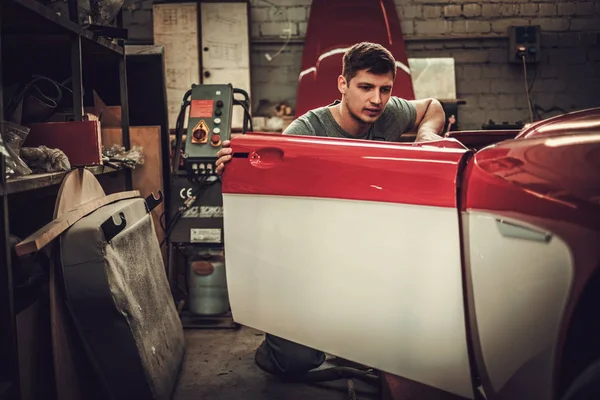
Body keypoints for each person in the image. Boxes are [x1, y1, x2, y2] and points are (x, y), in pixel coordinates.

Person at [214, 41, 446, 378]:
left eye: (384, 89)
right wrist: (235, 168)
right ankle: (279, 344)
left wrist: (426, 137)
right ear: (343, 85)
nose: (376, 100)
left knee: (404, 343)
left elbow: (432, 107)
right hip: (313, 261)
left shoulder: (389, 113)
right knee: (294, 363)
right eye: (365, 87)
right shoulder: (306, 133)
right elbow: (272, 199)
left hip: (370, 254)